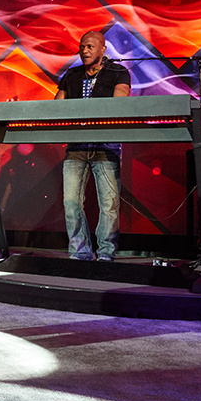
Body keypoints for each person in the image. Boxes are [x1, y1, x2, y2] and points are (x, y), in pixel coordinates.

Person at [55, 30, 131, 262]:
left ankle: (106, 253)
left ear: (102, 49)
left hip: (105, 145)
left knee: (109, 204)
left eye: (90, 47)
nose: (84, 51)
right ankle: (79, 252)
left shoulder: (118, 72)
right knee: (71, 202)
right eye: (82, 47)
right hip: (76, 146)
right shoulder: (71, 74)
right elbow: (56, 107)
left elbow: (121, 103)